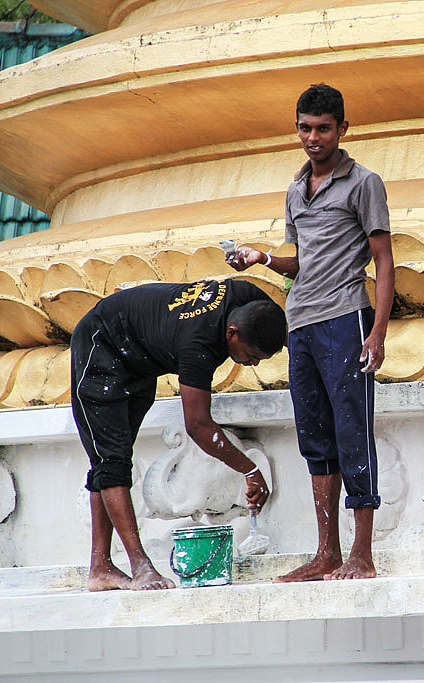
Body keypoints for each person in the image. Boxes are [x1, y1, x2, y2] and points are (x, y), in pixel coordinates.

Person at [227, 83, 394, 581]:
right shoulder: (295, 190)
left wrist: (378, 332)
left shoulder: (364, 183)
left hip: (346, 318)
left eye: (323, 128)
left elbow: (384, 262)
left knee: (352, 433)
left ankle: (362, 554)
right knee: (315, 438)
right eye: (305, 128)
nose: (313, 138)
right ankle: (327, 553)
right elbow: (300, 262)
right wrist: (262, 257)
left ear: (343, 129)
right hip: (301, 323)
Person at [71, 278, 286, 591]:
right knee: (111, 461)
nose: (253, 363)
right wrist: (249, 470)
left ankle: (100, 566)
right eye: (251, 354)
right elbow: (198, 426)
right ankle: (140, 567)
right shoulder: (199, 345)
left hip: (139, 358)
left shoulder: (250, 299)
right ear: (231, 333)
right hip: (102, 345)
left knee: (110, 459)